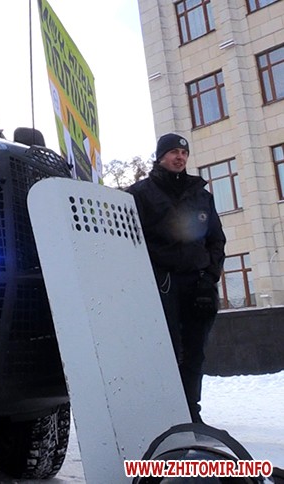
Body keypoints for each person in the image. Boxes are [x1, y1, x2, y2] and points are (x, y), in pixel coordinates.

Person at [126, 133, 226, 423]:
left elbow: (216, 240)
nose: (180, 157)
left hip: (198, 285)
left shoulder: (201, 195)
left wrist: (209, 278)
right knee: (164, 352)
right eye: (173, 152)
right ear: (160, 156)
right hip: (160, 284)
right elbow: (128, 240)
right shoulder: (139, 194)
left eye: (184, 153)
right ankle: (164, 413)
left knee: (195, 352)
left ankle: (191, 413)